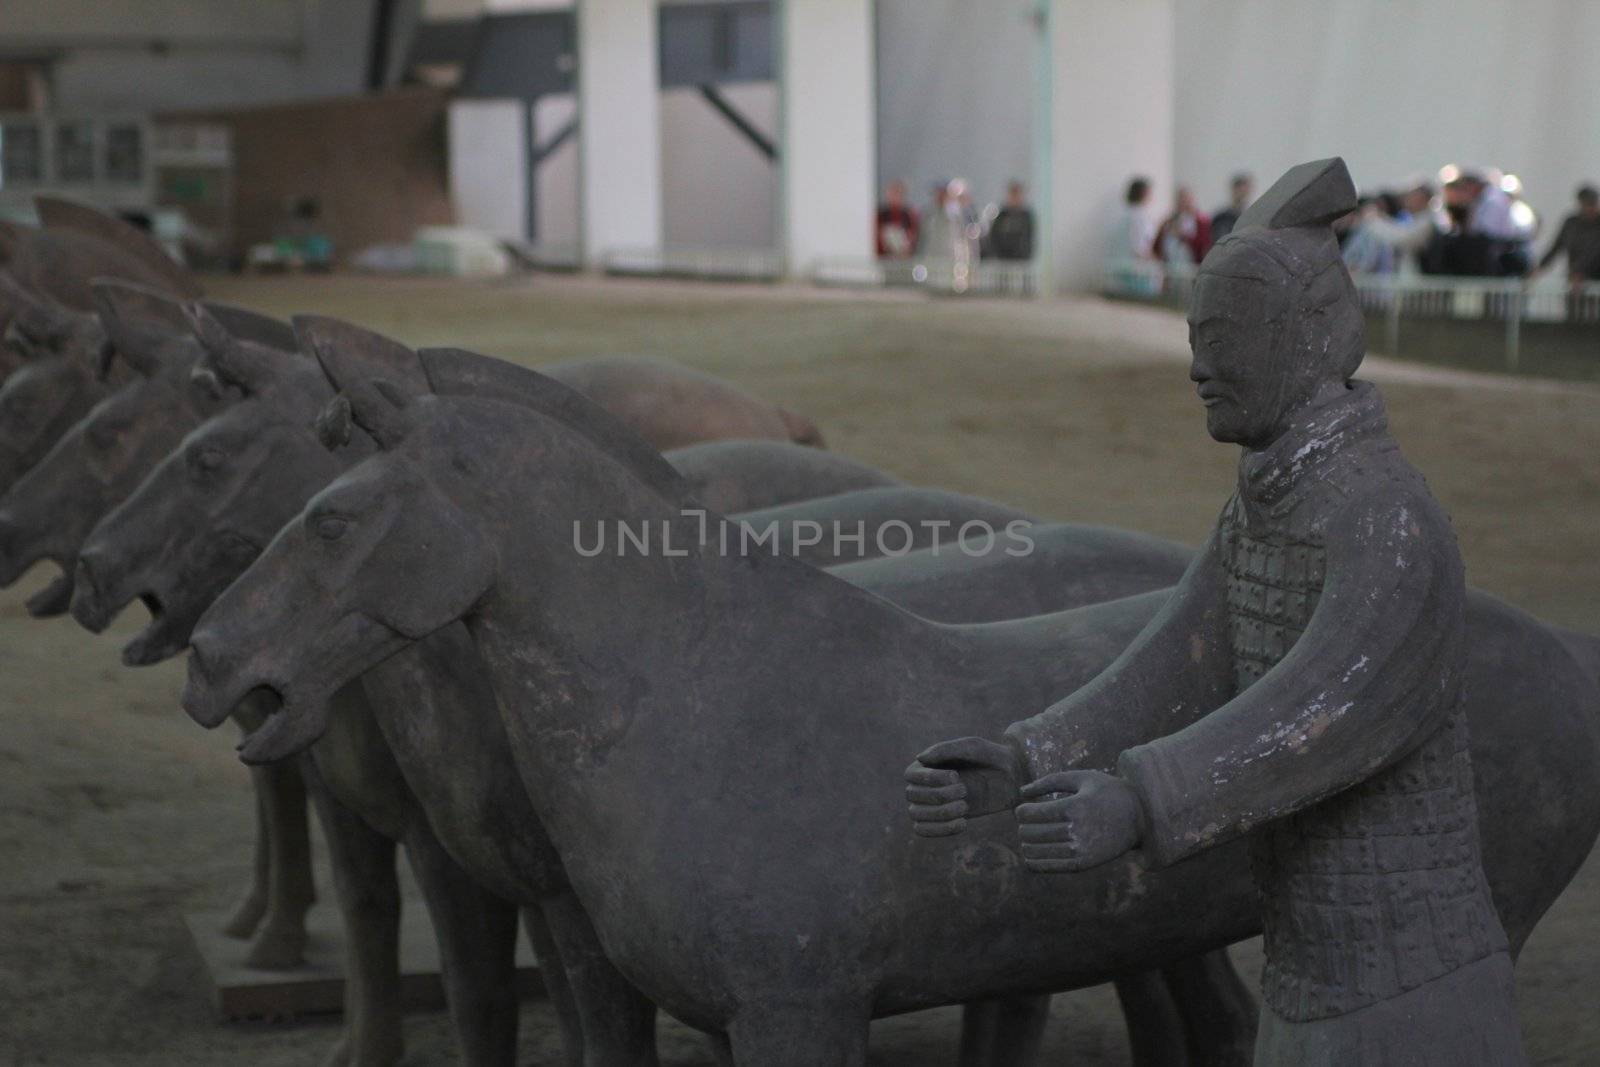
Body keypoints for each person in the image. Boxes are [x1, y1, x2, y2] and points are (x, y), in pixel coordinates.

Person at [906, 158, 1527, 1066]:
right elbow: (1179, 660)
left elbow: (1327, 713)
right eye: (1198, 335)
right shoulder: (1269, 503)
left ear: (1310, 336)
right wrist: (1027, 756)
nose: (1200, 366)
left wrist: (1143, 799)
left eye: (1227, 337)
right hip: (1313, 968)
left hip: (1409, 982)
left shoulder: (1381, 516)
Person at [1534, 184, 1600, 285]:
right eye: (1587, 204)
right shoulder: (1571, 223)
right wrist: (1540, 268)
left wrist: (1581, 272)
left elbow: (1594, 252)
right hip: (1574, 282)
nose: (1590, 208)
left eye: (1593, 204)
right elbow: (1556, 247)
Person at [1107, 176, 1161, 295]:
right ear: (1144, 193)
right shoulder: (1139, 217)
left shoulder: (1127, 214)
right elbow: (1139, 246)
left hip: (1124, 266)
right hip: (1136, 270)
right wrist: (1156, 262)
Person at [1154, 186, 1212, 267]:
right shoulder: (1168, 221)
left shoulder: (1201, 221)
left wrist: (1184, 236)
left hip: (1192, 269)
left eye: (1186, 198)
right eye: (1180, 198)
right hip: (1170, 269)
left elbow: (1204, 245)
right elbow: (1157, 246)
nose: (1183, 202)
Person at [987, 181, 1036, 261]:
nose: (1015, 197)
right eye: (1012, 194)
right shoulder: (1001, 215)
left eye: (1017, 194)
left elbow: (1028, 238)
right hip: (1002, 261)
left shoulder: (1026, 216)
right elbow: (994, 237)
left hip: (1021, 261)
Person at [875, 180, 920, 259]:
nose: (895, 197)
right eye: (893, 193)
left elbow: (913, 237)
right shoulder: (881, 216)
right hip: (885, 258)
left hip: (904, 259)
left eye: (898, 194)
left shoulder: (909, 215)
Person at [1210, 172, 1254, 242]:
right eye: (1240, 190)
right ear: (1234, 190)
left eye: (1245, 191)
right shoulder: (1222, 218)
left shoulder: (1251, 216)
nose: (1243, 194)